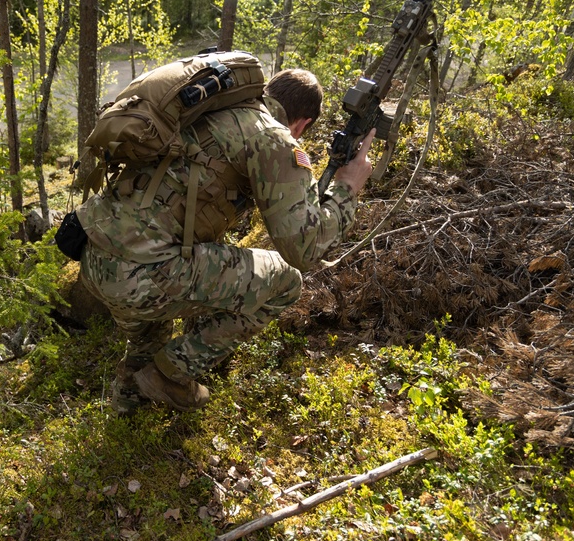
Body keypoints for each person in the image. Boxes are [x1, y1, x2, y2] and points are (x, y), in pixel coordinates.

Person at [76, 68, 375, 414]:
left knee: (151, 326)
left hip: (94, 255)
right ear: (303, 124)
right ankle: (170, 371)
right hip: (141, 276)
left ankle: (130, 404)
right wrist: (348, 187)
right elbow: (304, 250)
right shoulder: (274, 138)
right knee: (286, 282)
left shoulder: (212, 112)